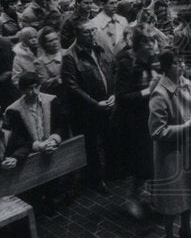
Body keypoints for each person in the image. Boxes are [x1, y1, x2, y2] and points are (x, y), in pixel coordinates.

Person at [148, 50, 191, 238]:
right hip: (170, 154)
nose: (181, 66)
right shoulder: (160, 93)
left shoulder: (188, 84)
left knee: (188, 192)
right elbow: (156, 132)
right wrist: (185, 127)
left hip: (188, 149)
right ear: (166, 67)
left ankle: (186, 231)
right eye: (176, 63)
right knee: (172, 199)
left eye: (182, 62)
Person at [61, 21, 115, 193]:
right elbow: (72, 87)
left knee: (108, 139)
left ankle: (110, 172)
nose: (92, 35)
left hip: (107, 104)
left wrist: (113, 94)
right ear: (77, 34)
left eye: (93, 30)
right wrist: (95, 103)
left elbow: (111, 71)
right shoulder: (70, 56)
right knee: (91, 146)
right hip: (87, 111)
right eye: (87, 32)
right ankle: (95, 179)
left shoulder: (99, 49)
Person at [114, 25, 160, 216]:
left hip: (153, 117)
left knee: (155, 161)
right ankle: (132, 198)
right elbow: (121, 97)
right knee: (141, 163)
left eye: (152, 41)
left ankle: (154, 197)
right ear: (137, 43)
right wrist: (147, 91)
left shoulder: (153, 60)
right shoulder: (127, 62)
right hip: (134, 122)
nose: (150, 46)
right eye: (145, 41)